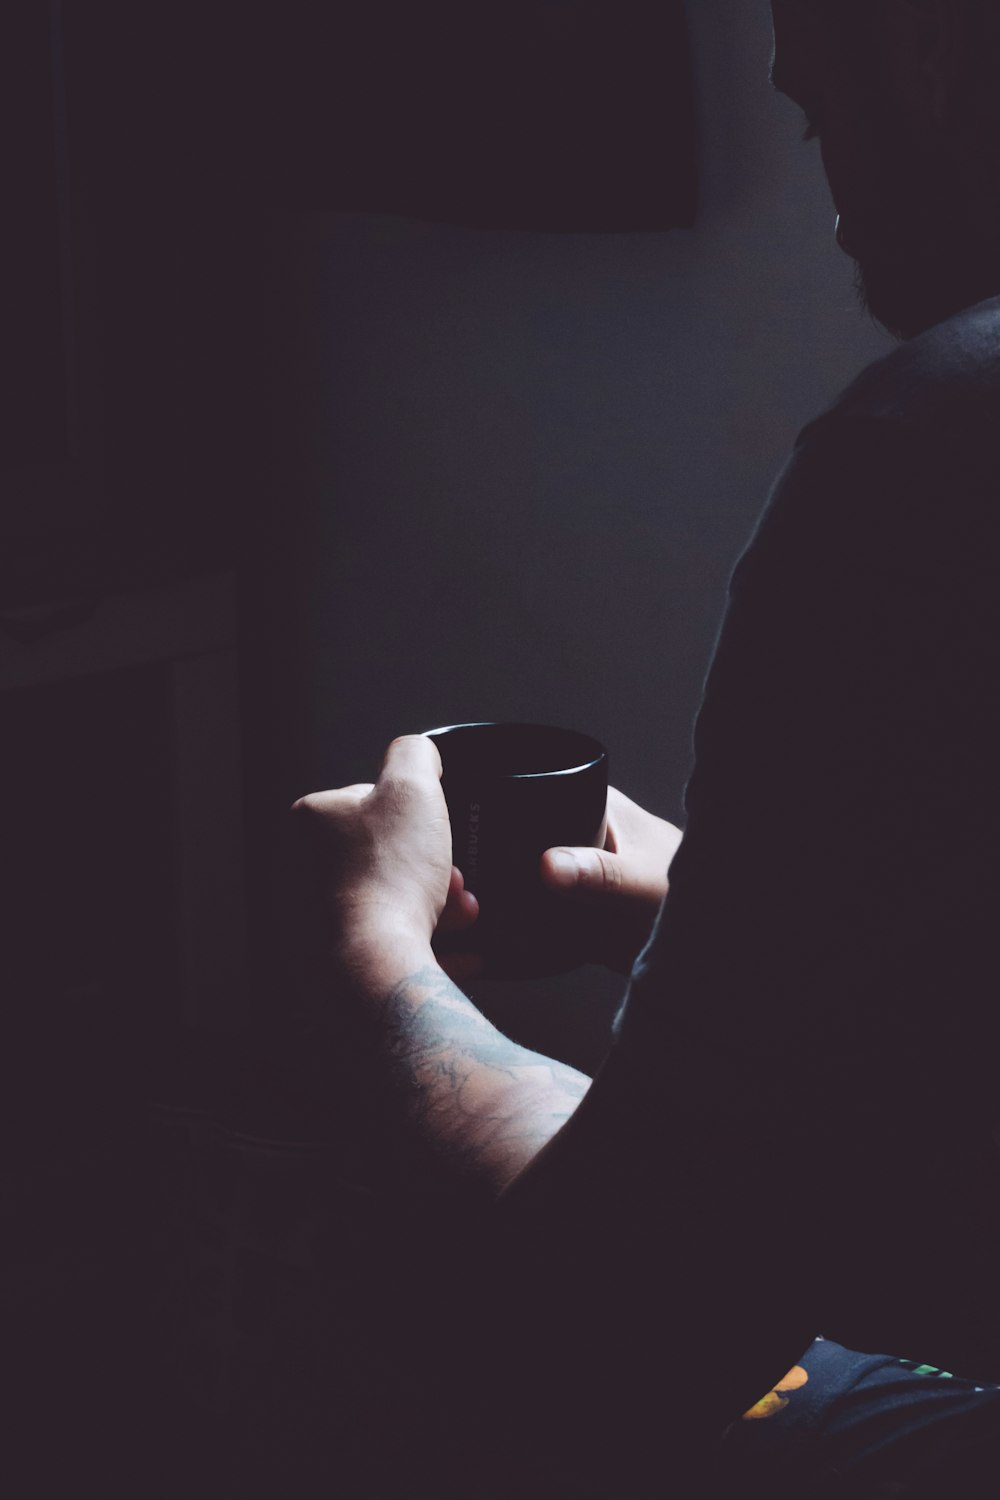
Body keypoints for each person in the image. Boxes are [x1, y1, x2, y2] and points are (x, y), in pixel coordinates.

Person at [290, 2, 1000, 1494]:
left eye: (816, 50)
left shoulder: (939, 454)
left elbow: (627, 1316)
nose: (786, 67)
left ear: (934, 40)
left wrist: (378, 958)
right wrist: (730, 926)